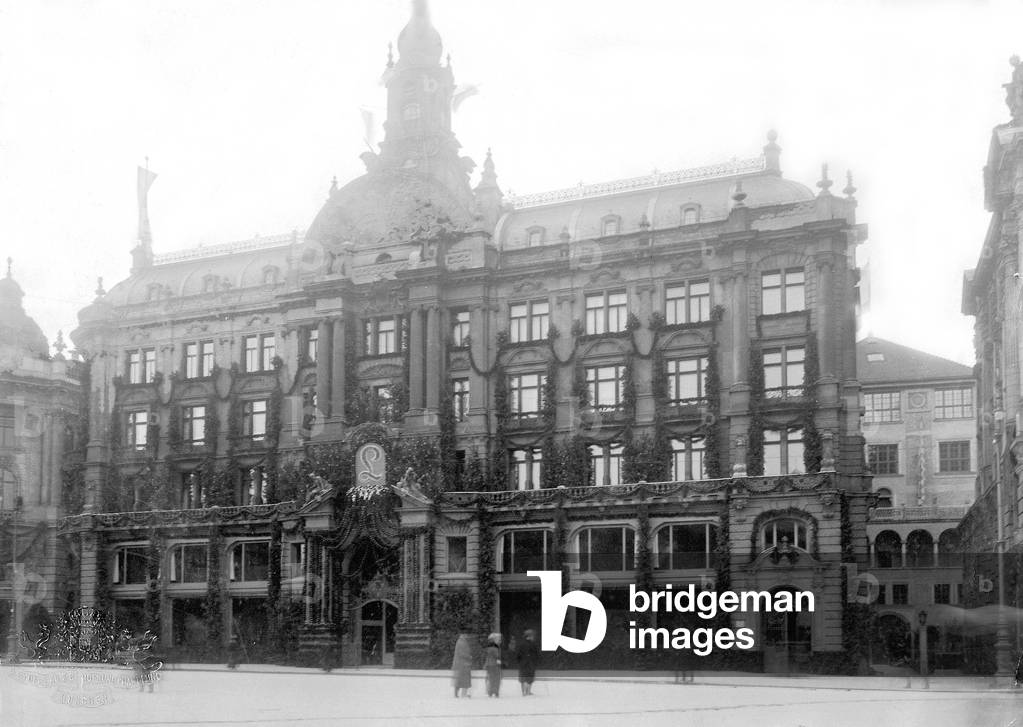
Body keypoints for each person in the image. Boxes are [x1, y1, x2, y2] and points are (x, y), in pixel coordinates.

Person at [516, 629, 540, 696]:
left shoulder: (521, 644)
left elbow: (518, 655)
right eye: (532, 636)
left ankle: (523, 691)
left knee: (523, 677)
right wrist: (535, 661)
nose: (533, 637)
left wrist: (519, 662)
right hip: (531, 663)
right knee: (529, 678)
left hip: (522, 664)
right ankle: (528, 691)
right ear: (530, 636)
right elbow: (537, 654)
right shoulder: (533, 644)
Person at [451, 632, 473, 698]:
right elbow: (461, 653)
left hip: (462, 663)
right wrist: (469, 656)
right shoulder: (461, 642)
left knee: (460, 679)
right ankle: (462, 694)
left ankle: (458, 694)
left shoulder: (461, 642)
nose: (467, 635)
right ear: (462, 635)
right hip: (462, 663)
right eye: (465, 634)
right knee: (463, 679)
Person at [484, 633, 503, 697]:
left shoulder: (488, 646)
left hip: (489, 664)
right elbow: (497, 657)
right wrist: (500, 661)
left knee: (490, 678)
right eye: (499, 639)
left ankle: (490, 691)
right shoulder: (495, 647)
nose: (500, 641)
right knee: (496, 678)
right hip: (494, 665)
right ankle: (495, 692)